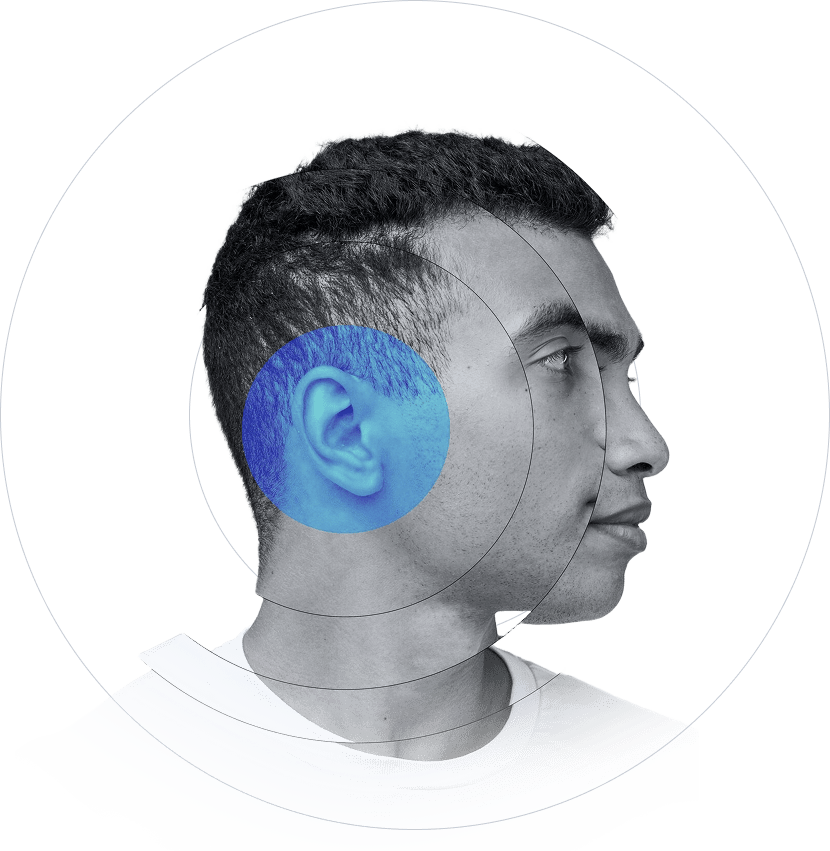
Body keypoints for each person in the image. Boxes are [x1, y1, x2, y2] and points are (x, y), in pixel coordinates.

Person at [16, 125, 697, 850]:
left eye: (624, 377)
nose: (646, 445)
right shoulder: (82, 801)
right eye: (562, 364)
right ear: (344, 431)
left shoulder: (670, 793)